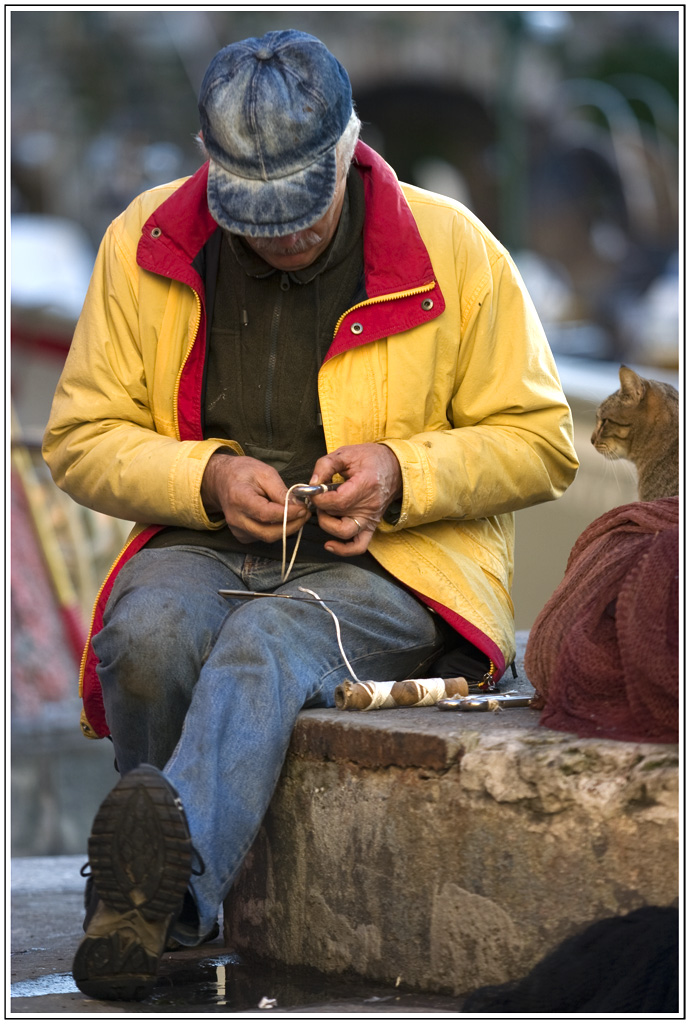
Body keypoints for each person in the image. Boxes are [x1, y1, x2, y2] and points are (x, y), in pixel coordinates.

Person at [42, 29, 578, 1001]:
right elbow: (80, 437)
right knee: (149, 632)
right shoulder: (144, 240)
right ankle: (149, 902)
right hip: (207, 541)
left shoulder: (457, 250)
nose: (281, 234)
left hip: (397, 568)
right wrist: (205, 479)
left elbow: (543, 441)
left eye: (301, 207)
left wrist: (401, 472)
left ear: (349, 146)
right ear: (209, 164)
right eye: (254, 214)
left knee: (269, 639)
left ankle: (158, 909)